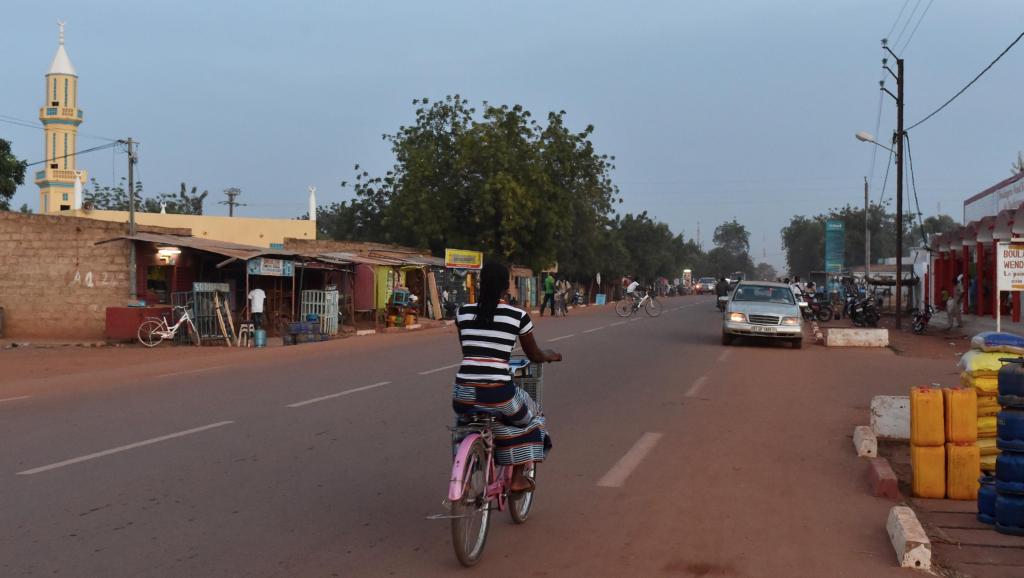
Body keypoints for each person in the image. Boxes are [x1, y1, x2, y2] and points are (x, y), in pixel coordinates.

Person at [453, 262, 561, 493]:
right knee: (533, 415)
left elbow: (471, 351)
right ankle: (518, 477)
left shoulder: (462, 313)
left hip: (463, 394)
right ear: (506, 286)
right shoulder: (517, 315)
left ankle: (470, 462)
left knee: (465, 421)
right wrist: (549, 356)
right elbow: (533, 354)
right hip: (498, 393)